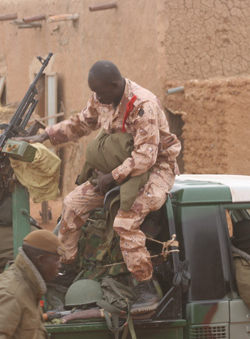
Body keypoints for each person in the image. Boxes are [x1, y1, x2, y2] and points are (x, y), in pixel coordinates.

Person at [19, 60, 181, 312]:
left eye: (101, 92)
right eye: (95, 92)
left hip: (155, 168)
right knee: (73, 204)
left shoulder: (142, 105)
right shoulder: (102, 98)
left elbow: (145, 158)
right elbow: (82, 123)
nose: (97, 97)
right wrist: (46, 136)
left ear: (115, 84)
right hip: (118, 166)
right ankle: (69, 269)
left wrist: (112, 177)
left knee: (125, 222)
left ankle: (145, 286)